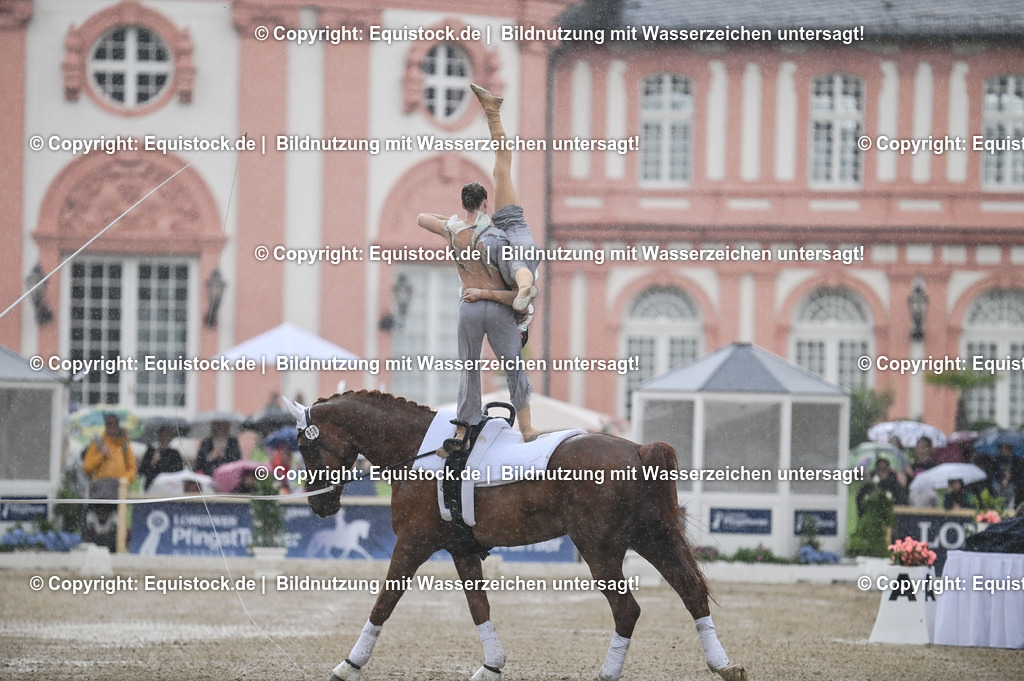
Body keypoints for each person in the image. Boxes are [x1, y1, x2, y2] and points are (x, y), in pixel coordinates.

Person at [416, 87, 542, 452]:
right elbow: (514, 279)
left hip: (499, 254)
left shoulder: (459, 231)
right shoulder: (519, 316)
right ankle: (528, 426)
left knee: (503, 165)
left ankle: (460, 432)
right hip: (510, 238)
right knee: (519, 271)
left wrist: (451, 222)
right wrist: (518, 291)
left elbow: (424, 218)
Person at [81, 413, 136, 550]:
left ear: (118, 426)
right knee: (93, 516)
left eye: (115, 423)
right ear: (106, 426)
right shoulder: (98, 443)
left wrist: (124, 480)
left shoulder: (124, 445)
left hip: (117, 490)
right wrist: (101, 455)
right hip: (99, 491)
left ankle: (117, 543)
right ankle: (92, 539)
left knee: (118, 519)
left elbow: (132, 468)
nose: (112, 426)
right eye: (109, 424)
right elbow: (87, 467)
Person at [137, 424, 184, 491]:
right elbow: (142, 471)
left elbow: (179, 471)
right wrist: (152, 462)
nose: (164, 437)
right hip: (152, 488)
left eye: (167, 434)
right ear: (158, 435)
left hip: (170, 488)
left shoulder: (174, 453)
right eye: (162, 434)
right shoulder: (151, 451)